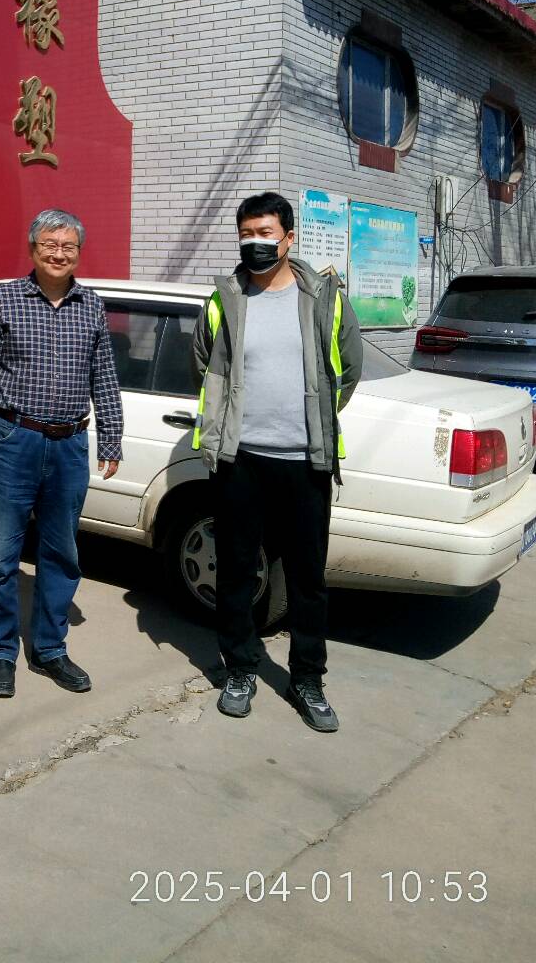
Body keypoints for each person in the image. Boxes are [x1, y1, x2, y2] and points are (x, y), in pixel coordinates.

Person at [191, 192, 362, 732]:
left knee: (308, 579)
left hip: (305, 461)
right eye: (246, 234)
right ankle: (240, 669)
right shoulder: (224, 299)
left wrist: (311, 420)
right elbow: (204, 363)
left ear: (289, 238)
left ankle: (307, 679)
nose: (255, 244)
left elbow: (348, 370)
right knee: (236, 572)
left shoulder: (325, 299)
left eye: (265, 234)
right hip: (240, 460)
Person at [0, 209, 123, 699]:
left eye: (68, 246)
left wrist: (111, 437)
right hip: (12, 438)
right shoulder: (5, 299)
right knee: (0, 552)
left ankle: (50, 649)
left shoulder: (91, 306)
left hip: (70, 443)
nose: (58, 253)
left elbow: (104, 376)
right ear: (33, 249)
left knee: (61, 552)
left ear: (79, 253)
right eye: (49, 244)